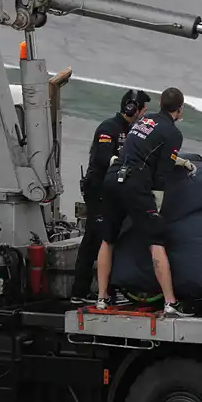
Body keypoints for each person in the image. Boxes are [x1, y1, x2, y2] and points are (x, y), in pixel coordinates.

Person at [95, 87, 197, 317]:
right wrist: (156, 210)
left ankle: (102, 298)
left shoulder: (146, 119)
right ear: (180, 110)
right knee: (156, 240)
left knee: (107, 239)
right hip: (134, 183)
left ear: (160, 104)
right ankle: (171, 302)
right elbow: (161, 173)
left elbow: (142, 148)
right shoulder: (173, 133)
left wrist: (180, 161)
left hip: (112, 177)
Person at [71, 88, 150, 305]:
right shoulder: (109, 128)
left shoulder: (133, 130)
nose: (143, 114)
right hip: (98, 191)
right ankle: (79, 292)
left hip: (115, 190)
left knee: (111, 237)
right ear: (133, 108)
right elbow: (103, 159)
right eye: (143, 110)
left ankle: (109, 289)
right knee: (94, 239)